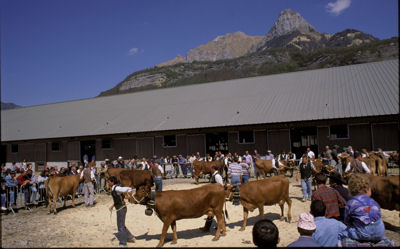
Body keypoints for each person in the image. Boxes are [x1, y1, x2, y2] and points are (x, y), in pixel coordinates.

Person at [339, 174, 386, 243]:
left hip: (364, 233)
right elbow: (378, 215)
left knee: (341, 233)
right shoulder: (374, 202)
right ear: (368, 190)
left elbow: (347, 220)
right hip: (380, 231)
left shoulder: (351, 203)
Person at [107, 176, 135, 247]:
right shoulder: (114, 188)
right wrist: (113, 205)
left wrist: (130, 194)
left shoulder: (117, 188)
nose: (108, 183)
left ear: (112, 182)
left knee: (120, 226)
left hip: (121, 209)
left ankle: (123, 243)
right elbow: (118, 199)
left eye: (109, 182)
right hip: (120, 208)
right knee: (121, 224)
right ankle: (130, 237)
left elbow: (128, 188)